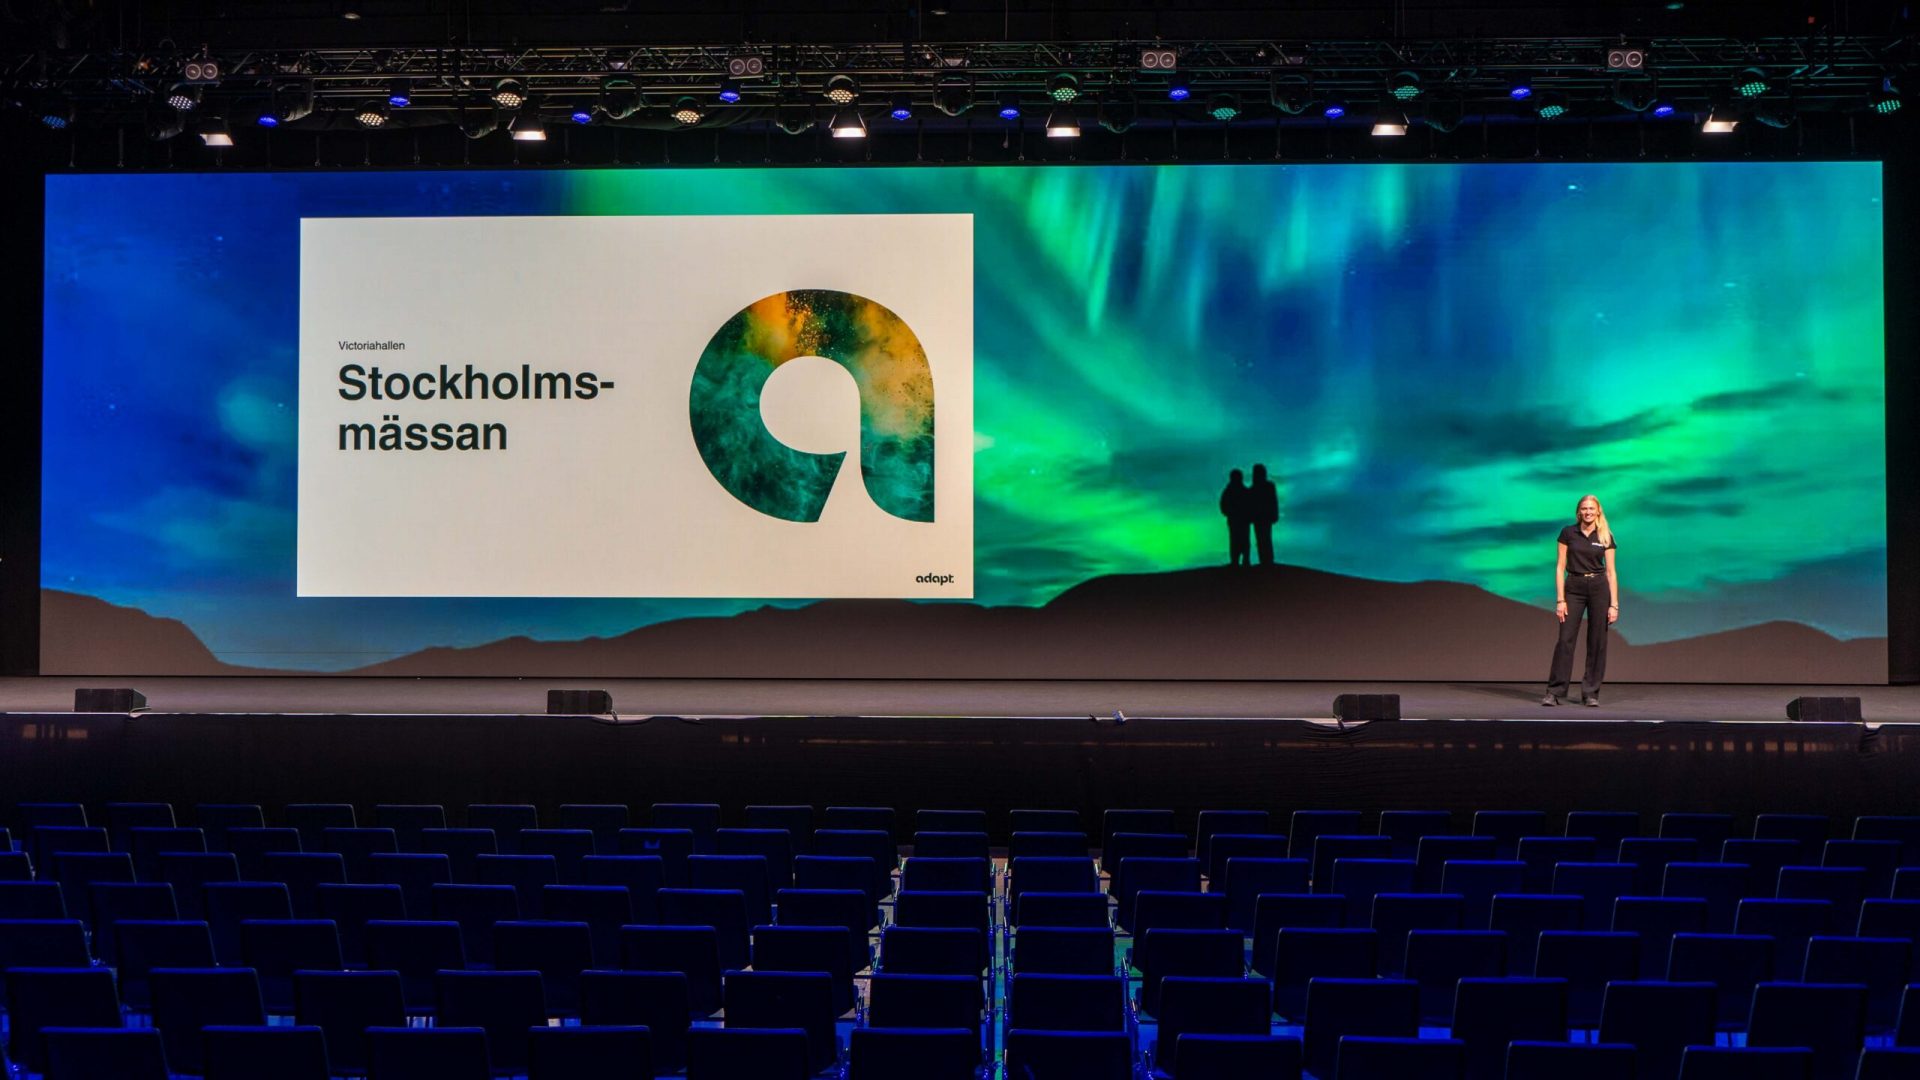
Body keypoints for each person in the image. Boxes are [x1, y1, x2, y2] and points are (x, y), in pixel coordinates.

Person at [1542, 494, 1619, 707]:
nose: (1587, 512)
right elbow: (1559, 567)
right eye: (1584, 508)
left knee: (1597, 642)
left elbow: (1611, 572)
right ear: (1579, 511)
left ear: (1598, 511)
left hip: (1599, 588)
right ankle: (1554, 692)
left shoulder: (1605, 536)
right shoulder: (1568, 533)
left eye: (1591, 509)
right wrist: (1560, 600)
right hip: (1574, 587)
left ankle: (1591, 693)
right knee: (1565, 640)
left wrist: (1614, 604)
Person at [1249, 463, 1279, 565]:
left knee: (1264, 539)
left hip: (1263, 518)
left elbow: (1273, 502)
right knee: (1263, 539)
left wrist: (1274, 515)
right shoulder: (1262, 487)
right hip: (1262, 518)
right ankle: (1265, 560)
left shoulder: (1261, 488)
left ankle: (1267, 560)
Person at [1219, 469, 1251, 566]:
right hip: (1240, 521)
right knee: (1241, 540)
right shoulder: (1243, 491)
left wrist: (1228, 513)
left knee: (1237, 541)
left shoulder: (1230, 491)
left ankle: (1239, 561)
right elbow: (1223, 505)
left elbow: (1223, 504)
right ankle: (1239, 561)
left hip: (1238, 520)